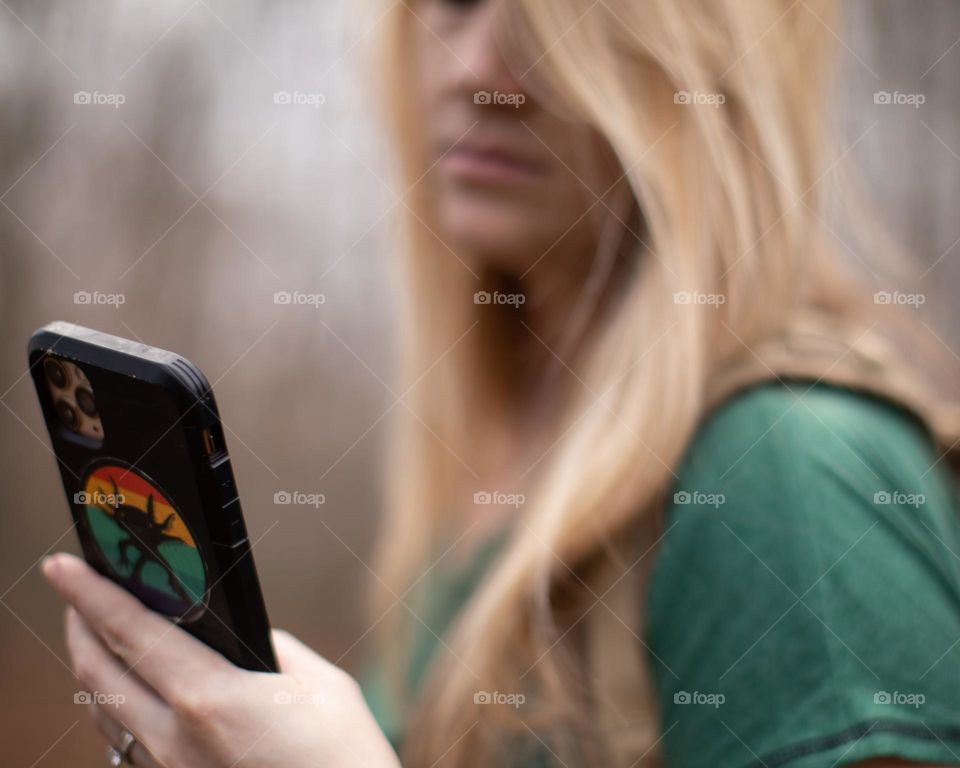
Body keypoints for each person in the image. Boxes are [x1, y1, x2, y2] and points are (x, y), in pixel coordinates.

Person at [41, 0, 960, 766]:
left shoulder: (794, 477)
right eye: (454, 3)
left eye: (562, 21)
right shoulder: (490, 475)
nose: (483, 73)